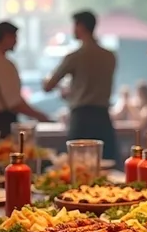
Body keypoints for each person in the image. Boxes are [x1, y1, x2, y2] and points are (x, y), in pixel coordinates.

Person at [43, 11, 117, 160]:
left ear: (81, 26)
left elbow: (48, 86)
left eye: (75, 25)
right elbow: (94, 85)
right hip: (103, 117)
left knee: (77, 163)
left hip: (81, 118)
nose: (73, 30)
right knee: (105, 163)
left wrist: (60, 88)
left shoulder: (75, 56)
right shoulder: (110, 56)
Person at [0, 21, 49, 136]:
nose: (16, 42)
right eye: (14, 37)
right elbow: (13, 103)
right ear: (6, 37)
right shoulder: (2, 64)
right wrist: (40, 116)